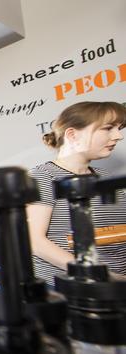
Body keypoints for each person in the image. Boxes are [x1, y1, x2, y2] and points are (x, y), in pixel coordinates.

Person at [27, 101, 126, 286]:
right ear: (72, 134)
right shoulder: (43, 176)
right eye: (108, 128)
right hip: (72, 289)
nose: (118, 136)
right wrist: (100, 275)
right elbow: (35, 241)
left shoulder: (107, 178)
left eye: (119, 128)